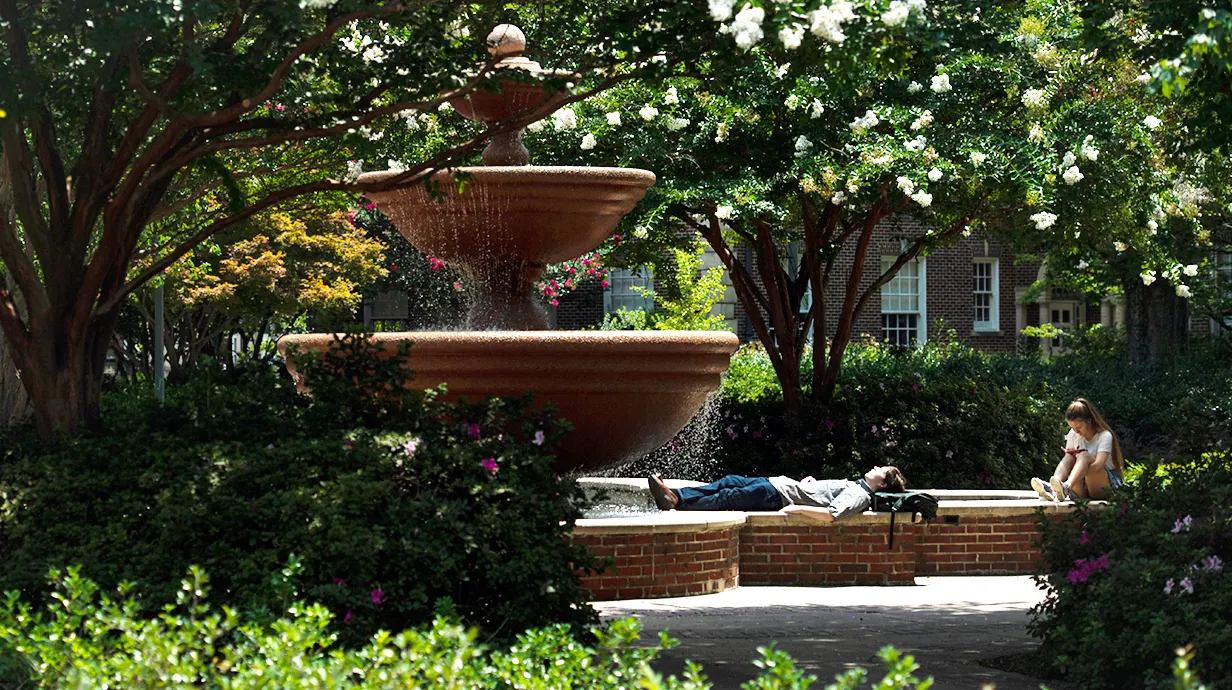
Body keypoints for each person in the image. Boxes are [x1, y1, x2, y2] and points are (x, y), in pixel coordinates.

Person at [646, 466, 907, 523]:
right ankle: (677, 495)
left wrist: (797, 508)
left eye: (880, 470)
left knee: (728, 498)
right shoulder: (856, 485)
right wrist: (810, 483)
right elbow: (825, 497)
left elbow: (831, 515)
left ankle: (678, 504)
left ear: (883, 485)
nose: (874, 467)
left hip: (778, 495)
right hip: (779, 484)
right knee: (729, 480)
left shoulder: (860, 496)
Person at [1031, 398, 1125, 501]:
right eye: (1072, 427)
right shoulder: (1073, 434)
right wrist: (1076, 471)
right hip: (1082, 486)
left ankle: (1066, 486)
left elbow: (1098, 465)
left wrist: (1077, 473)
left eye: (1079, 427)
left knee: (1084, 456)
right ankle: (1053, 488)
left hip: (1105, 484)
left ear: (1089, 421)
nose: (1076, 431)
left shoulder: (1104, 435)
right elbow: (1068, 459)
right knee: (1069, 457)